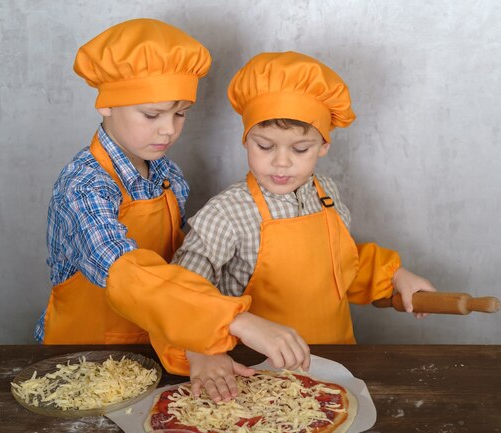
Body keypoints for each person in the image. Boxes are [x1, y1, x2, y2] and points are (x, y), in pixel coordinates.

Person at [34, 20, 309, 379]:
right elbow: (126, 271)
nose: (169, 129)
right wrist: (234, 319)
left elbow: (177, 271)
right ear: (106, 104)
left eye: (180, 113)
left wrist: (198, 344)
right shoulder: (84, 187)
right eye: (152, 114)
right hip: (85, 360)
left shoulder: (168, 176)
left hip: (158, 350)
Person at [172, 51, 435, 401]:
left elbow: (338, 268)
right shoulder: (227, 213)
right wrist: (202, 351)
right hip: (257, 376)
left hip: (335, 367)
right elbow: (182, 291)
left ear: (324, 145)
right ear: (246, 139)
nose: (281, 162)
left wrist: (396, 277)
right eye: (264, 146)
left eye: (300, 149)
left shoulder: (326, 194)